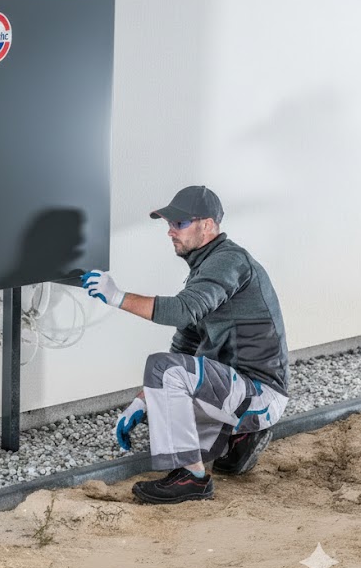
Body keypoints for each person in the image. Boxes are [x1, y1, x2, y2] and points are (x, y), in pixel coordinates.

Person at [82, 185, 289, 504]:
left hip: (259, 393)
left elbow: (182, 310)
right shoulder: (206, 269)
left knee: (162, 370)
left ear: (207, 225)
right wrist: (143, 400)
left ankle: (192, 479)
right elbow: (185, 344)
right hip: (239, 390)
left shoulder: (229, 261)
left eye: (179, 223)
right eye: (169, 224)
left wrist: (117, 297)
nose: (170, 231)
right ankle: (239, 441)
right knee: (163, 396)